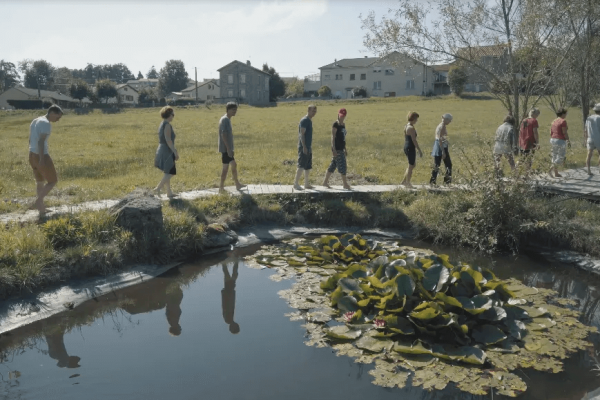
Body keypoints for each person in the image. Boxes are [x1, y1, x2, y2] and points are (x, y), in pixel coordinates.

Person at [28, 105, 63, 214]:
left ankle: (41, 209)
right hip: (41, 155)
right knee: (52, 181)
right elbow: (41, 142)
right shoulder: (46, 123)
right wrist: (42, 159)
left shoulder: (36, 120)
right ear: (52, 113)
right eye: (58, 117)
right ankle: (38, 202)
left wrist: (33, 155)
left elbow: (30, 139)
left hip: (32, 154)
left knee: (40, 181)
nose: (58, 120)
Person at [218, 102, 246, 193]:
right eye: (233, 110)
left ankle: (233, 184)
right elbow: (224, 134)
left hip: (226, 148)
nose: (235, 111)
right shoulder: (225, 120)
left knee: (229, 166)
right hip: (225, 149)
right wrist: (229, 149)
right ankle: (224, 186)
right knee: (228, 167)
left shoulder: (227, 119)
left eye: (236, 110)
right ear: (228, 110)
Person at [322, 108, 351, 190]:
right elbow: (333, 137)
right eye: (341, 115)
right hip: (337, 148)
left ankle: (325, 182)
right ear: (338, 114)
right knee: (343, 165)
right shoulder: (336, 124)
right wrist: (333, 149)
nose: (342, 117)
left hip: (341, 148)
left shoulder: (343, 125)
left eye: (343, 116)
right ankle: (345, 184)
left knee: (332, 166)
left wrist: (345, 148)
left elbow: (343, 138)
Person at [154, 106, 178, 198]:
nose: (173, 116)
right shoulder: (167, 125)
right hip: (166, 150)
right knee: (171, 172)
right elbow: (168, 140)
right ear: (169, 115)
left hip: (162, 149)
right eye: (173, 114)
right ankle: (158, 188)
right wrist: (175, 151)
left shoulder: (162, 123)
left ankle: (169, 192)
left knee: (167, 171)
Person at [294, 105, 317, 190]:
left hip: (308, 146)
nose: (314, 113)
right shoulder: (304, 120)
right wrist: (304, 146)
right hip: (303, 146)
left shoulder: (309, 121)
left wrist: (308, 147)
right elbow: (302, 134)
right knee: (301, 164)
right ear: (308, 110)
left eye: (315, 111)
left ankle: (306, 183)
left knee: (307, 166)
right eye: (313, 111)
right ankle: (295, 183)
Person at [400, 111, 423, 188]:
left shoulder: (407, 126)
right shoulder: (411, 128)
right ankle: (408, 183)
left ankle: (404, 181)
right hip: (410, 147)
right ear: (414, 119)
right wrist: (419, 150)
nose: (417, 120)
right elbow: (414, 140)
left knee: (412, 165)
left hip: (407, 146)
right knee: (411, 166)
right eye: (416, 119)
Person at [429, 113, 453, 185]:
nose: (450, 122)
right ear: (446, 119)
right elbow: (440, 139)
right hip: (441, 147)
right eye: (449, 120)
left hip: (438, 146)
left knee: (437, 165)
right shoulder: (442, 127)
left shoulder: (440, 125)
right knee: (448, 165)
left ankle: (432, 181)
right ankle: (447, 181)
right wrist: (443, 151)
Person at [549, 108, 570, 178]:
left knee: (554, 155)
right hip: (560, 140)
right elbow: (564, 132)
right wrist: (568, 140)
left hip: (553, 139)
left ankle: (556, 173)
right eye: (565, 113)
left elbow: (550, 132)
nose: (566, 115)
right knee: (561, 156)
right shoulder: (563, 121)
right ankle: (550, 169)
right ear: (563, 114)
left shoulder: (554, 121)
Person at [221, 261, 240, 334]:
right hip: (229, 293)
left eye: (236, 327)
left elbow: (226, 305)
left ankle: (226, 261)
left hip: (228, 293)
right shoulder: (229, 319)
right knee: (231, 275)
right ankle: (233, 261)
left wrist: (226, 294)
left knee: (230, 275)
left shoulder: (228, 319)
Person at [584, 104, 600, 176]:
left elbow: (586, 130)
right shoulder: (599, 118)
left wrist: (585, 138)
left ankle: (588, 169)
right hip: (598, 137)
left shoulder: (589, 118)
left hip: (590, 137)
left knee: (589, 153)